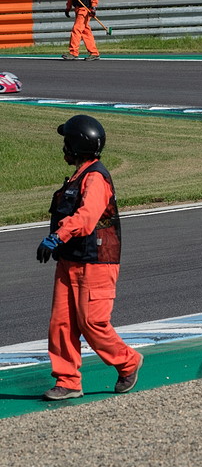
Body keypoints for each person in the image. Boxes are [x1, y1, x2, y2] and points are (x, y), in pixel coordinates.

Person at [36, 114, 142, 401]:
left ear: (76, 145)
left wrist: (56, 236)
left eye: (66, 142)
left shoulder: (95, 178)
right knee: (61, 324)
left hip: (96, 262)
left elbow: (86, 218)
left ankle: (128, 362)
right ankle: (68, 381)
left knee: (92, 323)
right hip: (70, 261)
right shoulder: (77, 177)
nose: (63, 148)